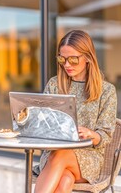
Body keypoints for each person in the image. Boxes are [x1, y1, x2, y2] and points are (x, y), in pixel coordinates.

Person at [33, 29, 117, 193]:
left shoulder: (106, 91)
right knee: (64, 180)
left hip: (89, 158)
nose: (67, 65)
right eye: (62, 59)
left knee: (60, 156)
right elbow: (41, 122)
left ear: (87, 57)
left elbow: (106, 136)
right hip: (52, 154)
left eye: (73, 59)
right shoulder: (54, 85)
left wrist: (92, 134)